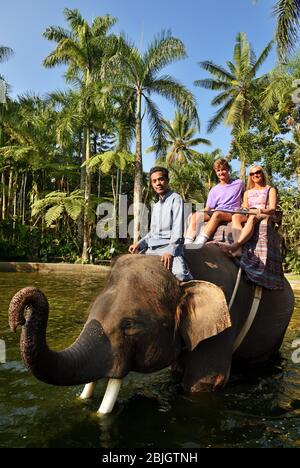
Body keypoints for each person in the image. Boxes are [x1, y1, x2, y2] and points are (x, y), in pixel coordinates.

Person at [128, 166, 193, 281]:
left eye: (161, 179)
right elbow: (152, 233)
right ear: (152, 184)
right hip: (152, 249)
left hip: (169, 246)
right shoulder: (156, 206)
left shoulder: (176, 199)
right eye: (154, 181)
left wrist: (170, 251)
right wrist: (139, 244)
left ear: (167, 180)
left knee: (181, 275)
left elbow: (178, 229)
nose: (158, 183)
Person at [184, 158, 244, 247]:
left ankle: (200, 242)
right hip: (216, 211)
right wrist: (197, 213)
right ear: (216, 172)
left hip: (231, 213)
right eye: (218, 170)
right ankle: (187, 243)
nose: (221, 172)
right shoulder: (214, 190)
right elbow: (208, 208)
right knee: (196, 215)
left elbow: (246, 196)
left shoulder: (239, 183)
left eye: (223, 169)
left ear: (228, 170)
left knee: (217, 214)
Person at [220, 165, 277, 257]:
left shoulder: (270, 189)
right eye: (252, 174)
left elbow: (272, 208)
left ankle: (236, 245)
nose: (255, 175)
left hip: (263, 212)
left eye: (258, 172)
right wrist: (241, 210)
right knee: (235, 216)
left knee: (252, 216)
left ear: (262, 174)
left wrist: (259, 210)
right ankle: (238, 251)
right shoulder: (247, 192)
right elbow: (246, 207)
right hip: (250, 212)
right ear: (250, 176)